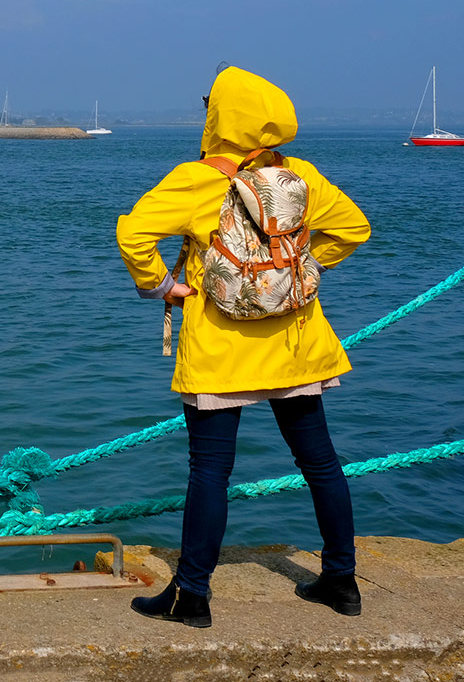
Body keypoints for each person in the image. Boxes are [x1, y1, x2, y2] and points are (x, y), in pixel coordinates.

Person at [116, 66, 370, 628]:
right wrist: (291, 275)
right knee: (321, 462)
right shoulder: (300, 176)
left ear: (219, 118)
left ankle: (192, 596)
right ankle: (342, 581)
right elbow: (354, 229)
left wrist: (163, 285)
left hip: (220, 347)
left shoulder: (197, 179)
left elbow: (132, 233)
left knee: (210, 470)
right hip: (297, 342)